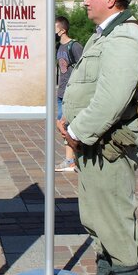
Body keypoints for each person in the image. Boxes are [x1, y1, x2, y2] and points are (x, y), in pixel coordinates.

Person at [55, 0, 138, 275]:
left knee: (115, 223)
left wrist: (77, 132)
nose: (85, 0)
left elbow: (112, 100)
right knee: (97, 220)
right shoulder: (106, 35)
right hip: (96, 145)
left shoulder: (127, 38)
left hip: (109, 145)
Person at [54, 15, 84, 173]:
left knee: (67, 125)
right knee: (63, 126)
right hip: (61, 92)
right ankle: (73, 160)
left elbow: (84, 69)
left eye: (54, 28)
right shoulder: (59, 46)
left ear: (62, 30)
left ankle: (73, 160)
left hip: (71, 93)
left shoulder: (75, 46)